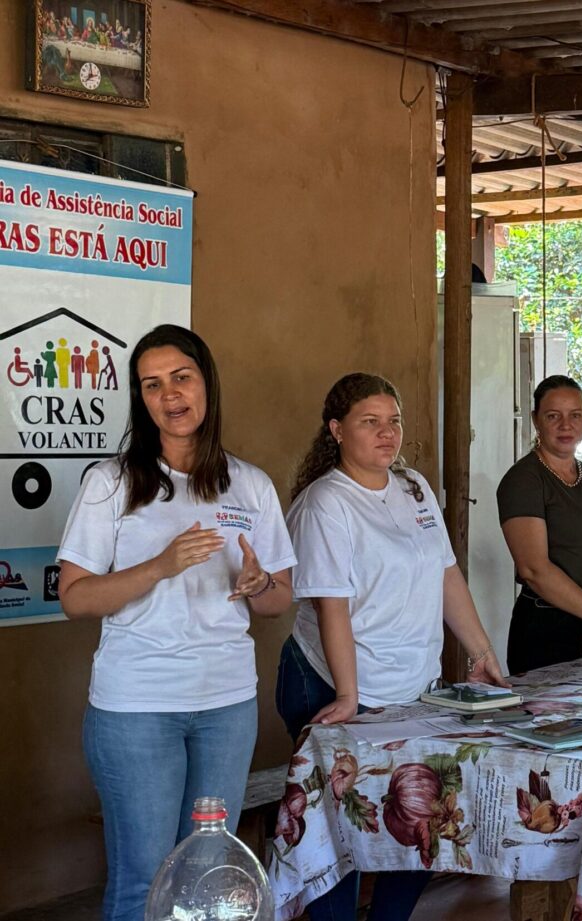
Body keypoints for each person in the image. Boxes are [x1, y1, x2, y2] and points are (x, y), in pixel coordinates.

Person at [57, 325, 296, 921]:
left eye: (182, 377)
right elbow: (75, 597)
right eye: (152, 384)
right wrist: (161, 565)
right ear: (141, 399)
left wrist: (258, 583)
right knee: (144, 880)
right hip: (137, 706)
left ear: (206, 383)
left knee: (208, 879)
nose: (171, 395)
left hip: (226, 704)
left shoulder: (251, 483)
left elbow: (280, 599)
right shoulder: (110, 483)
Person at [276, 372, 507, 921]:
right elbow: (332, 606)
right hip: (332, 682)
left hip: (412, 688)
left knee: (421, 819)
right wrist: (351, 698)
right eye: (370, 422)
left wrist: (482, 652)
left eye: (394, 421)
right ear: (336, 430)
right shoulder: (325, 503)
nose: (387, 433)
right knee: (342, 827)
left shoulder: (413, 488)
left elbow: (446, 575)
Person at [496, 375, 582, 673]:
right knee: (551, 721)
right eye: (553, 416)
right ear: (536, 420)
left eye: (575, 415)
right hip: (548, 629)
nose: (565, 425)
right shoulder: (525, 480)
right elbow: (533, 569)